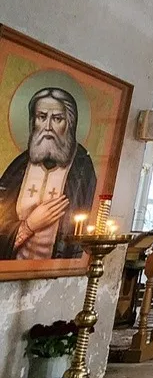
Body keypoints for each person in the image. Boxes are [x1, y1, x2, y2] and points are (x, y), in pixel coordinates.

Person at [0, 88, 97, 260]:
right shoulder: (19, 166)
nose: (48, 127)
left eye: (57, 119)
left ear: (70, 123)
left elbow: (82, 230)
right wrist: (29, 226)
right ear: (33, 121)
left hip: (54, 277)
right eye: (42, 117)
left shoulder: (81, 169)